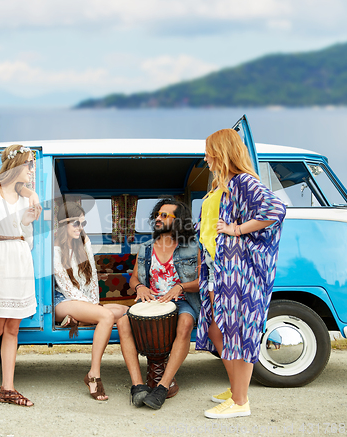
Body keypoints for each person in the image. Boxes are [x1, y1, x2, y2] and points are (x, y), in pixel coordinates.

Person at [197, 128, 286, 419]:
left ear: (221, 152)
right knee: (217, 328)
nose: (206, 156)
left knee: (237, 330)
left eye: (209, 150)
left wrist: (236, 229)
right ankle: (236, 386)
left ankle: (240, 401)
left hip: (237, 271)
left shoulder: (242, 181)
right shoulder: (220, 184)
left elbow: (275, 209)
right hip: (216, 266)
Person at [116, 198, 200, 410]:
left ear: (178, 220)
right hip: (151, 302)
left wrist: (181, 287)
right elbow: (134, 279)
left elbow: (204, 281)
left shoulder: (193, 247)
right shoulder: (145, 249)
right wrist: (139, 288)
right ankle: (138, 386)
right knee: (123, 322)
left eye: (164, 215)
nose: (158, 219)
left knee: (185, 324)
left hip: (182, 302)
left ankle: (162, 387)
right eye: (157, 215)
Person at [0, 145, 38, 407]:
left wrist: (28, 217)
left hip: (21, 257)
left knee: (13, 327)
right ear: (17, 166)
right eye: (30, 165)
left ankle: (8, 388)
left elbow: (29, 238)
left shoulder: (26, 198)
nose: (33, 171)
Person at [54, 202, 128, 401]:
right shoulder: (54, 248)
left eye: (83, 223)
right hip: (63, 300)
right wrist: (94, 309)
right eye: (75, 223)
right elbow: (65, 285)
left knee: (125, 311)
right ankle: (93, 375)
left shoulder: (84, 243)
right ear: (63, 224)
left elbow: (93, 278)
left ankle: (80, 319)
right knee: (105, 315)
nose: (80, 227)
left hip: (82, 301)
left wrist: (93, 304)